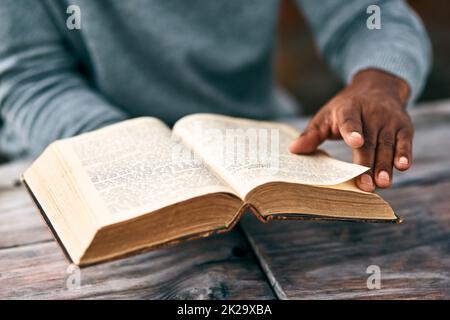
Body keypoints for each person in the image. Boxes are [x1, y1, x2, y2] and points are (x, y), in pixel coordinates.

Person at [0, 0, 431, 192]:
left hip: (250, 154)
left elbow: (369, 14)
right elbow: (31, 81)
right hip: (69, 156)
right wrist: (141, 154)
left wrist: (380, 81)